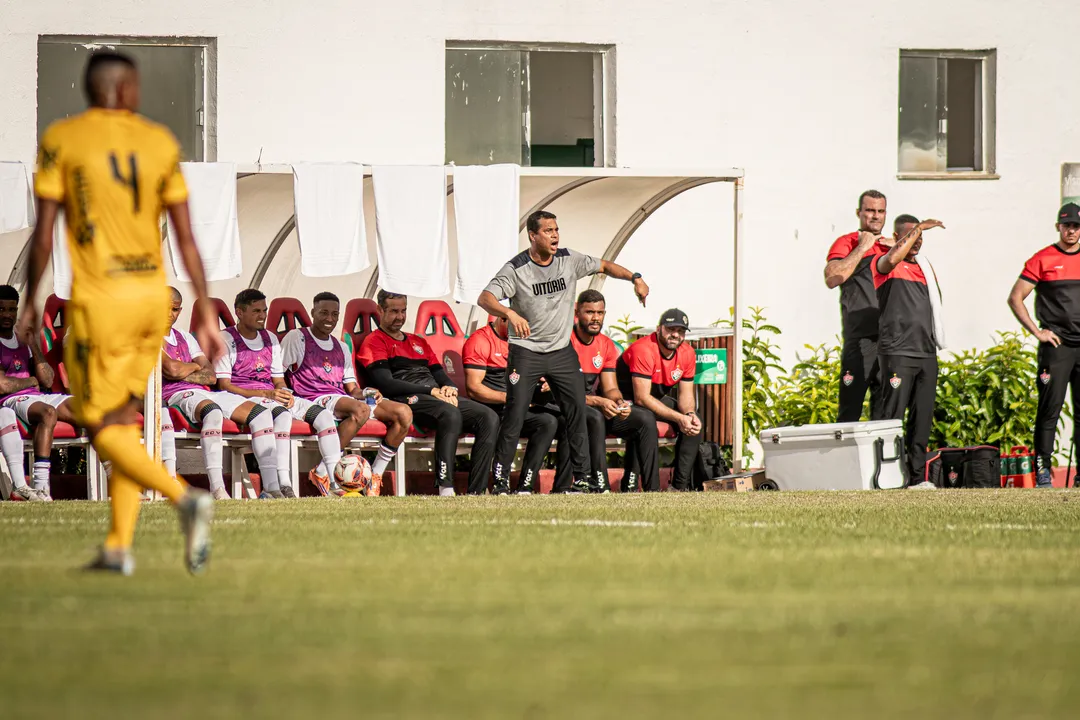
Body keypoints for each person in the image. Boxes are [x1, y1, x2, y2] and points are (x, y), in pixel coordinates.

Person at [18, 50, 218, 575]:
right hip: (152, 300)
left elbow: (43, 236)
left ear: (88, 90)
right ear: (130, 91)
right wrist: (206, 308)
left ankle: (185, 499)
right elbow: (186, 236)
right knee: (124, 423)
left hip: (100, 303)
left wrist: (33, 301)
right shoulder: (158, 142)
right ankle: (118, 546)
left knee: (100, 427)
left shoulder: (63, 139)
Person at [478, 210, 650, 494]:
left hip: (560, 352)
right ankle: (499, 481)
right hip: (526, 351)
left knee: (576, 412)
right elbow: (484, 298)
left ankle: (581, 480)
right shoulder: (516, 268)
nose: (555, 235)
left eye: (556, 229)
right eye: (548, 231)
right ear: (533, 236)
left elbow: (604, 265)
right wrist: (510, 312)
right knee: (515, 415)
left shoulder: (569, 259)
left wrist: (636, 278)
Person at [358, 291, 497, 496]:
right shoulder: (375, 341)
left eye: (403, 311)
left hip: (436, 396)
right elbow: (386, 384)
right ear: (380, 310)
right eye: (394, 311)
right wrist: (431, 390)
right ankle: (445, 486)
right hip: (406, 398)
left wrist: (450, 388)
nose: (400, 317)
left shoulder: (417, 341)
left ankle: (476, 490)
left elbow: (438, 372)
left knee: (488, 416)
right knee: (450, 413)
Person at [215, 289, 348, 499]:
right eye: (256, 311)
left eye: (264, 311)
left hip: (269, 395)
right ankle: (282, 484)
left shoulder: (270, 338)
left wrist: (284, 391)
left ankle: (333, 482)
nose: (262, 316)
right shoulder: (226, 338)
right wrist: (266, 393)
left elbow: (278, 378)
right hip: (243, 398)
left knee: (322, 415)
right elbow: (224, 385)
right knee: (282, 414)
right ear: (239, 312)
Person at [282, 292, 413, 496]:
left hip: (343, 398)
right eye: (324, 313)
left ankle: (375, 476)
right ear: (312, 312)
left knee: (403, 413)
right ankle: (324, 470)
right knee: (359, 409)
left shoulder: (341, 347)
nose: (330, 319)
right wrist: (282, 394)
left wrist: (368, 391)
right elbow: (277, 372)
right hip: (313, 399)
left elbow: (352, 389)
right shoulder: (297, 337)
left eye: (335, 314)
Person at [162, 288, 281, 501]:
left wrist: (184, 369)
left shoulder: (185, 337)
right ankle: (218, 489)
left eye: (175, 309)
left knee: (262, 414)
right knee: (213, 412)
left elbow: (210, 376)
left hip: (203, 392)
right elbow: (171, 370)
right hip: (173, 395)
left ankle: (272, 488)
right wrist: (192, 367)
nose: (170, 314)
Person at [554, 289, 659, 493]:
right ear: (577, 312)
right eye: (590, 312)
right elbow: (561, 391)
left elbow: (610, 388)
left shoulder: (606, 345)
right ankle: (600, 485)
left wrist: (619, 403)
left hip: (592, 405)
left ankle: (652, 490)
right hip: (562, 406)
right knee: (594, 417)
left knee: (645, 419)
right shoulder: (563, 341)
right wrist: (599, 402)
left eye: (600, 313)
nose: (595, 318)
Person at [1007, 202, 1080, 487]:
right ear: (1058, 227)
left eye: (1076, 226)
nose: (1071, 230)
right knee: (1050, 409)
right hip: (1057, 347)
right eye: (1067, 225)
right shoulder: (1043, 258)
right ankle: (1043, 471)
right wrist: (1038, 332)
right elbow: (1015, 297)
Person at [870, 215, 946, 487]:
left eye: (920, 237)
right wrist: (917, 229)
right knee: (891, 419)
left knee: (921, 419)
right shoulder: (883, 262)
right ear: (897, 236)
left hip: (926, 353)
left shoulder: (925, 267)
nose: (917, 241)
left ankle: (916, 478)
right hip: (897, 352)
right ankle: (887, 477)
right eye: (911, 236)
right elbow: (890, 259)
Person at [1, 284, 80, 500]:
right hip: (11, 400)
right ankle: (42, 485)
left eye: (11, 310)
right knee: (47, 413)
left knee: (86, 409)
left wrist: (33, 345)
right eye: (1, 310)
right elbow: (3, 386)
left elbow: (48, 379)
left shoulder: (22, 340)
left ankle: (116, 475)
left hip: (36, 395)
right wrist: (32, 380)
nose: (7, 315)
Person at [462, 314, 558, 494]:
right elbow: (474, 389)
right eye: (519, 325)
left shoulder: (525, 341)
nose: (524, 330)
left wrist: (547, 383)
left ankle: (525, 486)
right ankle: (498, 484)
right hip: (490, 408)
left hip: (516, 406)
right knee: (510, 416)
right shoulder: (480, 340)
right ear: (502, 318)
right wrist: (513, 399)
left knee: (548, 422)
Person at [824, 190, 893, 422]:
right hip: (861, 341)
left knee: (886, 417)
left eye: (880, 211)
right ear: (859, 213)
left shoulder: (894, 247)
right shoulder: (848, 242)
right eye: (870, 210)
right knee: (849, 412)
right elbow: (832, 278)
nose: (875, 216)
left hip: (892, 342)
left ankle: (882, 459)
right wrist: (862, 248)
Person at [616, 309, 702, 491]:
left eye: (681, 331)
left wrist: (688, 414)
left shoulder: (687, 353)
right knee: (645, 420)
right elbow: (641, 398)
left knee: (695, 423)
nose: (675, 335)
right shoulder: (644, 348)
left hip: (653, 398)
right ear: (658, 329)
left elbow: (686, 395)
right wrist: (678, 418)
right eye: (671, 329)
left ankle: (679, 487)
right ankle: (635, 486)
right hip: (626, 400)